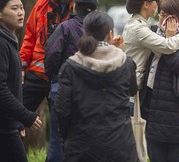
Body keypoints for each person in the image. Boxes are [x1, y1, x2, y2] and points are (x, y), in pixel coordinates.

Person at [19, 0, 89, 161]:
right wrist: (22, 66)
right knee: (13, 117)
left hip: (63, 79)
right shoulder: (41, 5)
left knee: (60, 132)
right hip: (35, 75)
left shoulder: (82, 10)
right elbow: (29, 37)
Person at [54, 11, 139, 162]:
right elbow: (132, 90)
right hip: (120, 143)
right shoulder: (126, 63)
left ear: (85, 32)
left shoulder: (70, 66)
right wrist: (119, 51)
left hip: (81, 145)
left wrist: (69, 136)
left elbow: (62, 109)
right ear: (110, 34)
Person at [142, 0, 179, 162]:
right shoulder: (153, 33)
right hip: (153, 109)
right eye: (161, 14)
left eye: (169, 16)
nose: (164, 19)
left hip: (177, 112)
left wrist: (169, 39)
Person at [44, 0, 99, 162]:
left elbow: (51, 55)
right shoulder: (101, 32)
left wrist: (54, 79)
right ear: (95, 9)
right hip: (92, 95)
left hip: (63, 91)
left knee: (58, 141)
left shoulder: (65, 27)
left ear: (74, 5)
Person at [0, 0, 42, 162]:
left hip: (8, 126)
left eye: (22, 8)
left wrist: (18, 122)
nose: (20, 12)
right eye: (14, 8)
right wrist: (26, 116)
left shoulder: (9, 40)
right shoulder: (2, 43)